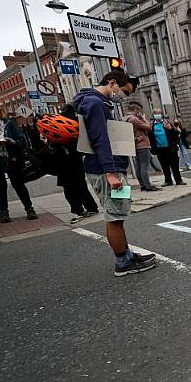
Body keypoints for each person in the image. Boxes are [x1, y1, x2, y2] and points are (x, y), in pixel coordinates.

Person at [74, 70, 156, 276]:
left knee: (119, 212)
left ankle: (126, 254)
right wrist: (110, 173)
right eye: (125, 91)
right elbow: (100, 140)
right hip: (107, 172)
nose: (124, 97)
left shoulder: (98, 102)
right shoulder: (95, 104)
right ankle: (123, 262)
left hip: (111, 169)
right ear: (112, 83)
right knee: (114, 215)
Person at [39, 107, 99, 223]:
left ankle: (78, 210)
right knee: (80, 186)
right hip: (74, 162)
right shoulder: (68, 128)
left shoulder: (55, 136)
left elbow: (47, 152)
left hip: (64, 165)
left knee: (70, 190)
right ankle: (90, 207)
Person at [0, 99, 38, 222]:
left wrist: (11, 141)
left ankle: (29, 208)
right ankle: (4, 212)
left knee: (18, 184)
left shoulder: (8, 123)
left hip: (11, 158)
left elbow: (21, 140)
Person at [124, 101, 159, 192]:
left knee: (138, 166)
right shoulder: (134, 119)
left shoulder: (125, 118)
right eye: (139, 110)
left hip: (134, 145)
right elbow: (149, 128)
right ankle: (148, 186)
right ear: (136, 110)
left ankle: (142, 185)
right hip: (142, 144)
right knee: (144, 166)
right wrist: (143, 118)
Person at [148, 109, 186, 186]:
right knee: (164, 166)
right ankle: (168, 180)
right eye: (155, 113)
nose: (157, 114)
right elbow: (150, 137)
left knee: (174, 165)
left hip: (171, 148)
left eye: (159, 113)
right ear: (153, 115)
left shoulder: (167, 122)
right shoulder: (152, 125)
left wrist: (170, 128)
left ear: (162, 114)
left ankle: (179, 180)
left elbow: (176, 135)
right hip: (160, 149)